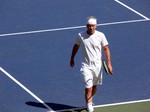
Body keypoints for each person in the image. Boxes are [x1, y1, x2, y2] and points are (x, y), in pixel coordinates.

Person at [70, 16, 113, 112]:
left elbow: (106, 49)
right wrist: (72, 58)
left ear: (96, 26)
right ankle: (89, 106)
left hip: (98, 66)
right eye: (89, 26)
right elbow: (76, 46)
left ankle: (89, 101)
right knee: (88, 88)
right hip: (86, 66)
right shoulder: (80, 35)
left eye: (93, 26)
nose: (91, 27)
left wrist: (109, 64)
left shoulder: (101, 35)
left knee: (94, 87)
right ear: (86, 26)